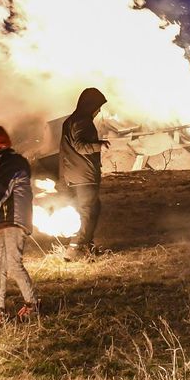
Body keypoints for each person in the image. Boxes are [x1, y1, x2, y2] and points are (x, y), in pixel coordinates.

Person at [0, 126, 38, 326]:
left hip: (15, 220)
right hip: (1, 223)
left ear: (1, 146)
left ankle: (32, 305)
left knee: (13, 264)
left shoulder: (12, 163)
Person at [60, 87, 110, 257]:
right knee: (88, 211)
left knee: (90, 209)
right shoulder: (83, 121)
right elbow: (80, 146)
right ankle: (76, 249)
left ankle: (86, 245)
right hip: (85, 175)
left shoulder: (70, 121)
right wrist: (99, 145)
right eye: (98, 106)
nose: (99, 110)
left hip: (74, 175)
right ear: (90, 105)